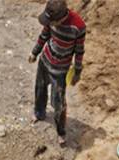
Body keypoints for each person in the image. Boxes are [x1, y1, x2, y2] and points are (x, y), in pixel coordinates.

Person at [28, 0, 86, 145]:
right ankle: (39, 113)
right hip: (45, 61)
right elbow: (44, 35)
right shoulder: (50, 20)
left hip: (60, 70)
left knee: (58, 102)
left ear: (61, 18)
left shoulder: (78, 27)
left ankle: (61, 131)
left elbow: (79, 52)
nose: (49, 24)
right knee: (40, 89)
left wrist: (77, 72)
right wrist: (35, 52)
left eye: (52, 22)